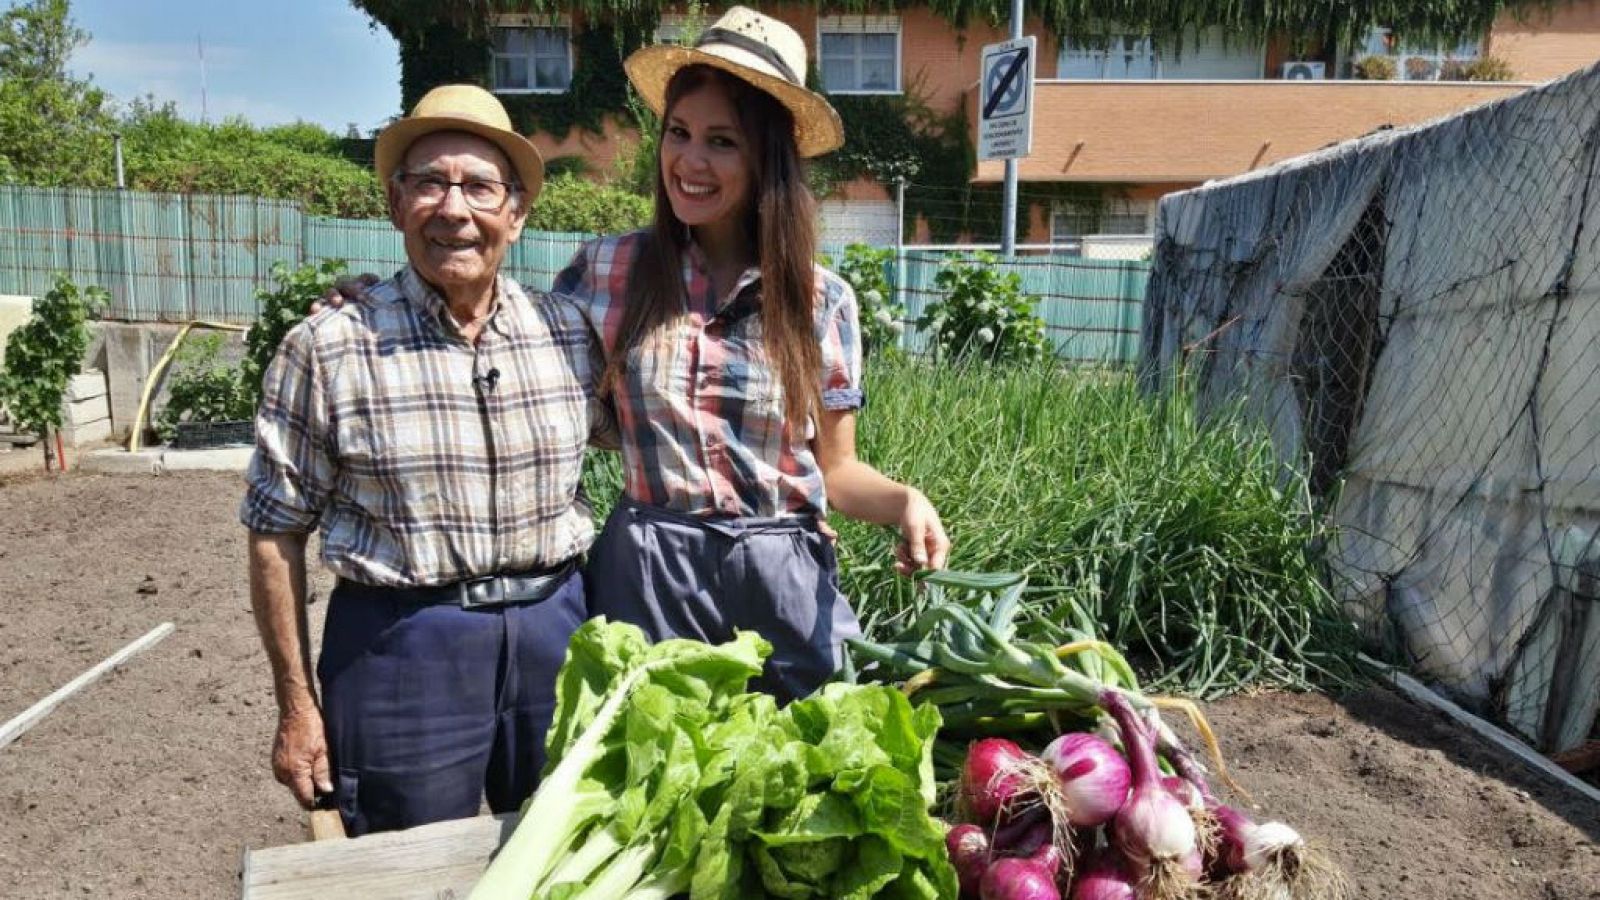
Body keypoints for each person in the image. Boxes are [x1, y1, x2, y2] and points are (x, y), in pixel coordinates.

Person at [240, 85, 610, 835]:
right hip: (402, 648)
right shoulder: (329, 347)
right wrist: (295, 705)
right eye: (429, 183)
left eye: (478, 186)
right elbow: (274, 534)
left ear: (517, 212)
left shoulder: (567, 331)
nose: (453, 208)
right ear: (394, 202)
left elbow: (665, 433)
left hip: (557, 635)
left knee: (566, 852)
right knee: (402, 867)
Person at [552, 7, 950, 701]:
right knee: (660, 776)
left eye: (722, 141)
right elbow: (502, 338)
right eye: (679, 133)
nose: (690, 161)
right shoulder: (606, 270)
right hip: (651, 569)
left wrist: (906, 501)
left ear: (767, 157)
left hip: (782, 571)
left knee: (814, 767)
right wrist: (380, 302)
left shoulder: (820, 300)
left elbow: (839, 468)